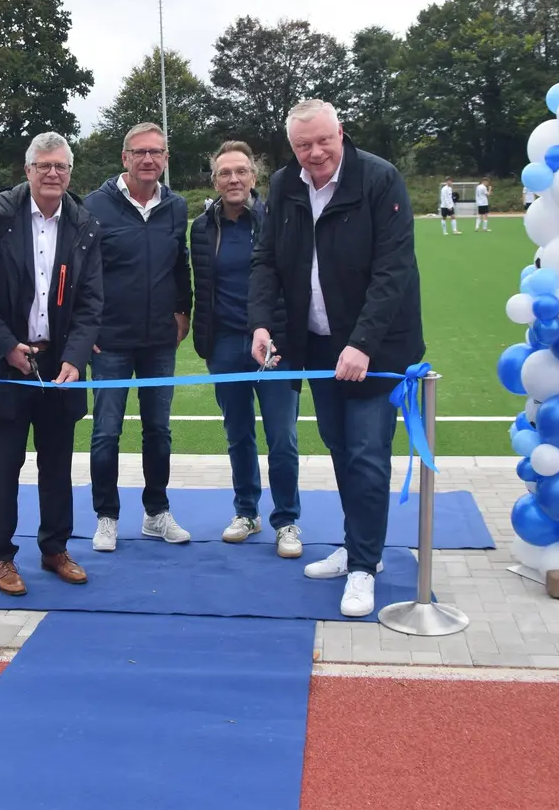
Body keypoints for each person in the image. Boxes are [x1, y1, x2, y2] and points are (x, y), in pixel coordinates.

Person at [249, 98, 424, 618]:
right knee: (342, 451)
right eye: (303, 144)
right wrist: (261, 321)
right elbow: (266, 260)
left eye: (323, 140)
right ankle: (355, 545)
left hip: (378, 350)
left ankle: (365, 568)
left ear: (341, 133)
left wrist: (364, 343)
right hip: (320, 348)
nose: (315, 152)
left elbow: (394, 270)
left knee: (369, 456)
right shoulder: (284, 185)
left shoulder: (379, 179)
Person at [0, 132, 104, 596]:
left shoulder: (83, 224)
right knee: (1, 467)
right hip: (8, 364)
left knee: (57, 466)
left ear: (69, 172)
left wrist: (76, 359)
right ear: (28, 170)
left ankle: (55, 548)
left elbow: (91, 302)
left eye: (60, 166)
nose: (52, 173)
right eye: (43, 165)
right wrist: (6, 346)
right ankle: (1, 557)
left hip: (58, 367)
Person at [82, 121, 193, 552]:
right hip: (109, 339)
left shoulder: (177, 206)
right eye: (140, 152)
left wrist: (183, 310)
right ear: (124, 158)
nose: (149, 160)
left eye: (157, 152)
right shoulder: (94, 205)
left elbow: (180, 263)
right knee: (106, 432)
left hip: (159, 341)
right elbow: (80, 273)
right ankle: (106, 517)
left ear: (165, 159)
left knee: (158, 431)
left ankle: (156, 513)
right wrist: (84, 327)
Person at [191, 141, 302, 558]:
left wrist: (281, 332)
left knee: (282, 438)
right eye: (224, 173)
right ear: (215, 180)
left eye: (241, 171)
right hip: (224, 346)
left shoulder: (277, 220)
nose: (233, 179)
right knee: (238, 435)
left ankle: (287, 520)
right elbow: (201, 285)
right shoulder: (202, 227)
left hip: (275, 346)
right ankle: (247, 511)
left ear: (254, 177)